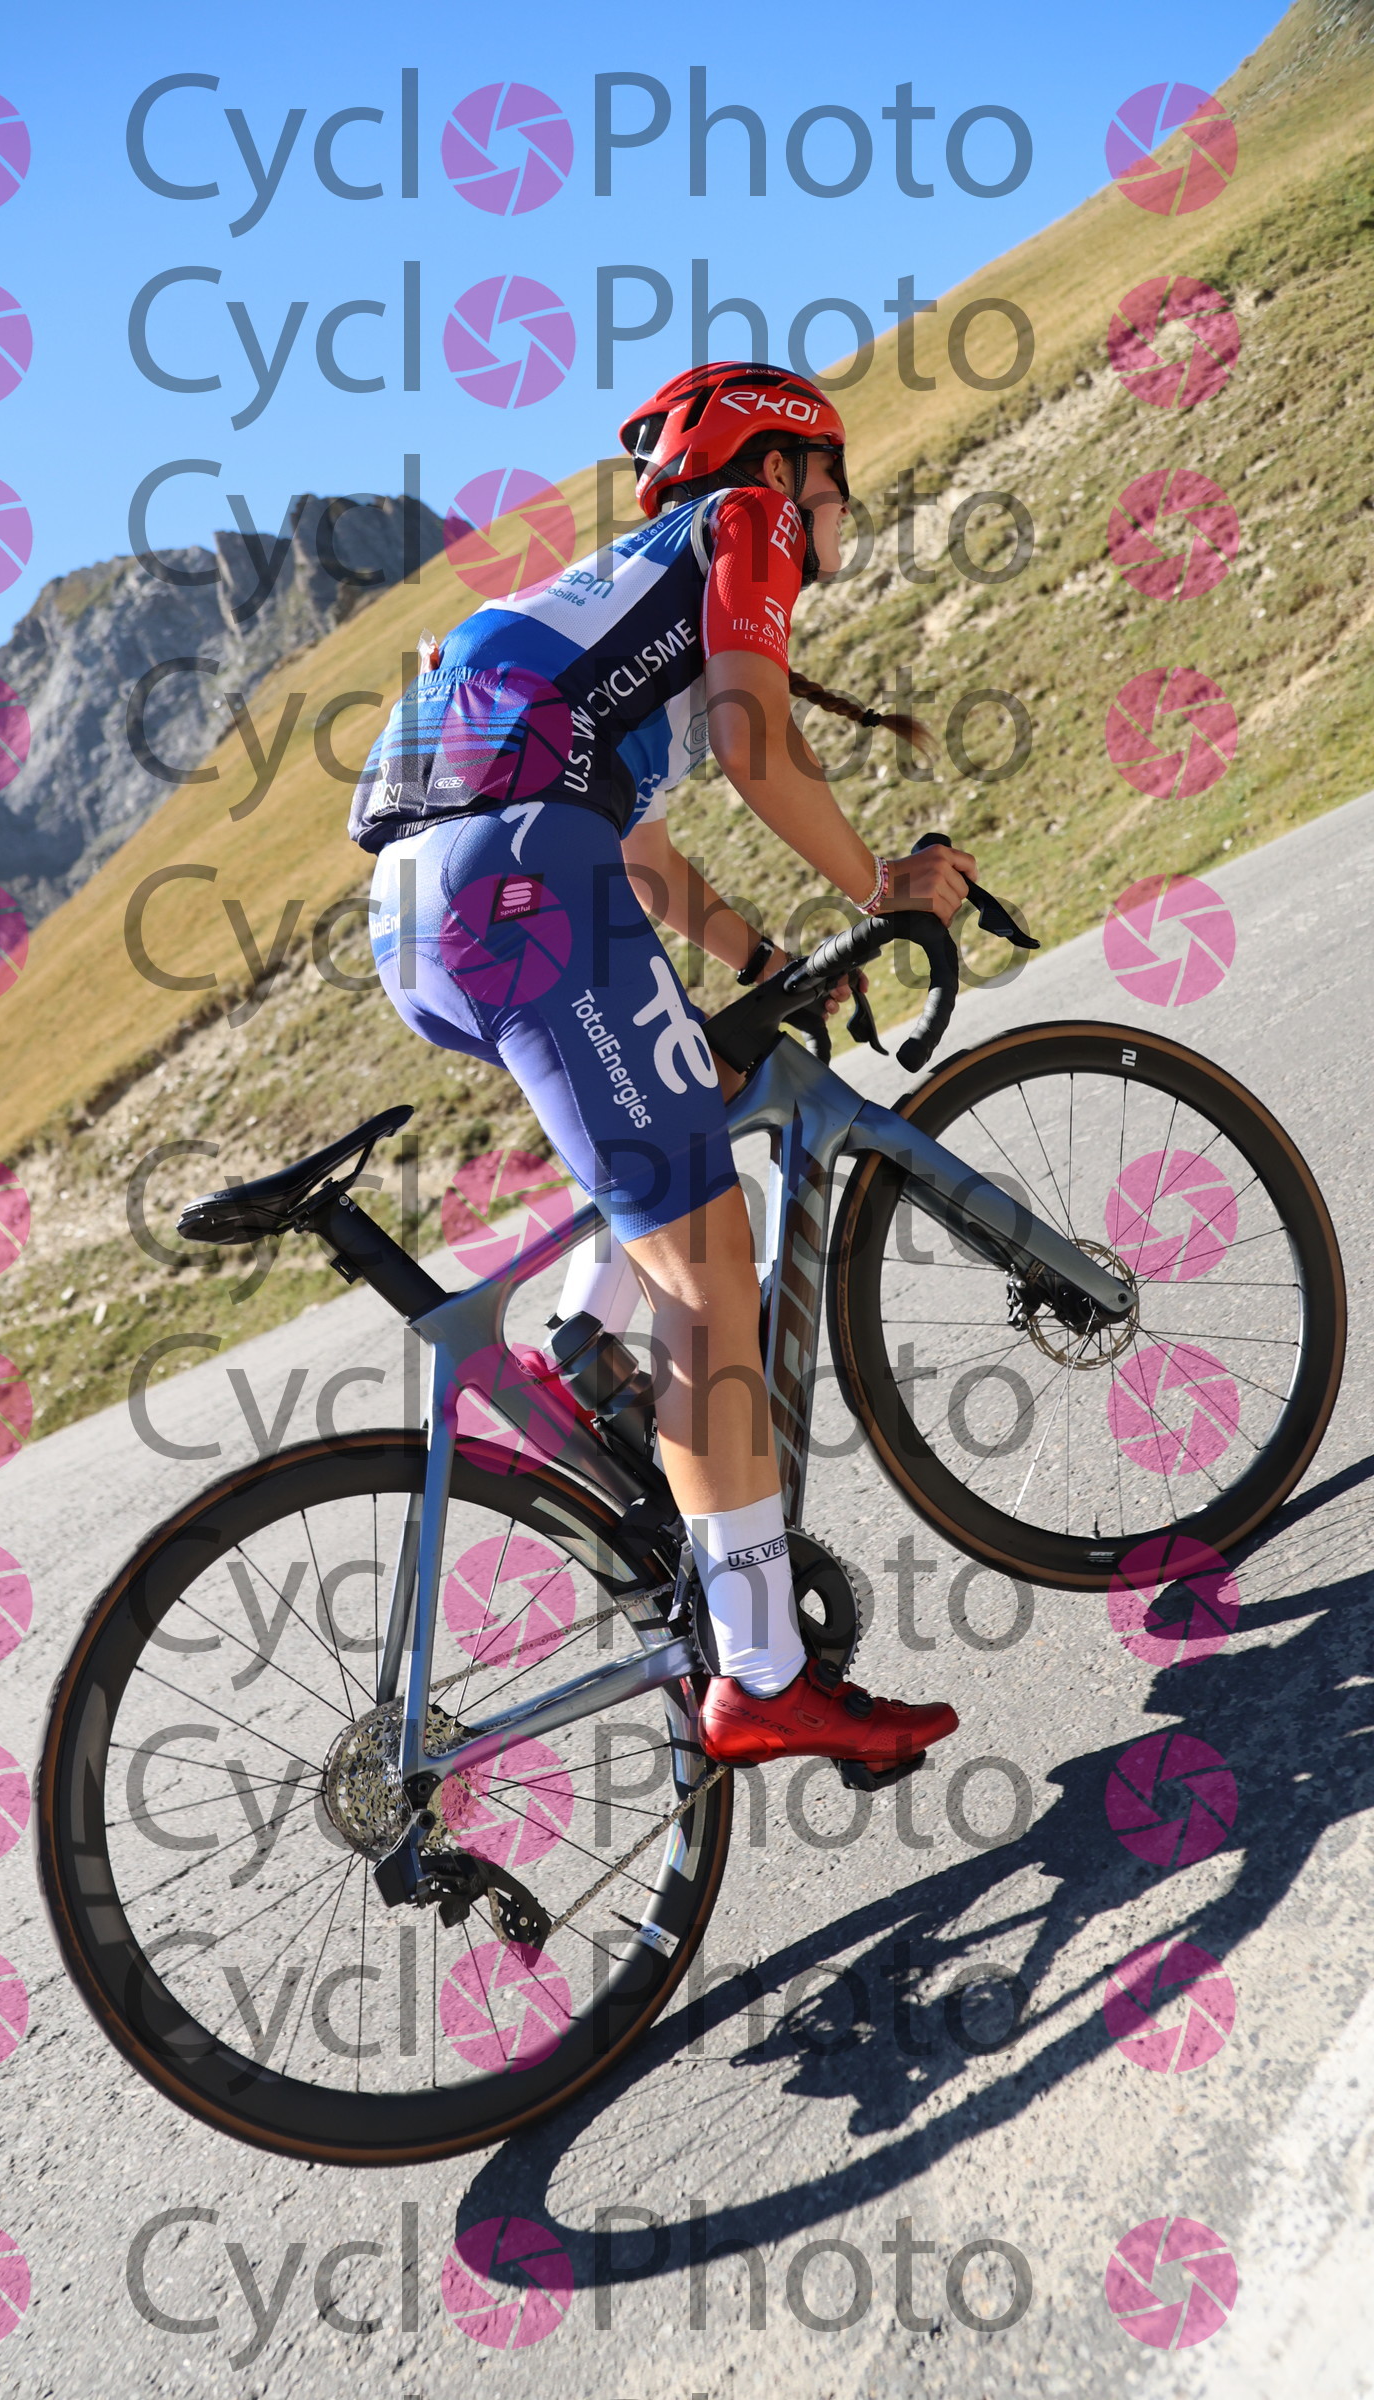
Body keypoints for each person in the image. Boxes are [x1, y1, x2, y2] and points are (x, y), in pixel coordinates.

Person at [349, 359, 974, 1773]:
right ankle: (763, 1669)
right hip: (522, 877)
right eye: (835, 481)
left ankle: (589, 1341)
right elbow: (755, 744)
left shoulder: (609, 605)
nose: (840, 510)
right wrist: (881, 884)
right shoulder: (743, 526)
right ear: (783, 471)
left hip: (431, 908)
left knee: (684, 1125)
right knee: (709, 1265)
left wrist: (762, 959)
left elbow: (640, 849)